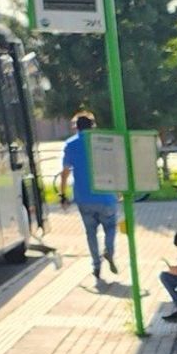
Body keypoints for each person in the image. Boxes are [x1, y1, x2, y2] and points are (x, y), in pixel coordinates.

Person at [56, 110, 120, 286]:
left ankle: (96, 265)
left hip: (83, 197)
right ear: (93, 126)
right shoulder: (102, 142)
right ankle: (109, 250)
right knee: (111, 226)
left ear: (76, 127)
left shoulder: (70, 145)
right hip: (106, 195)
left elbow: (65, 173)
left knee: (90, 232)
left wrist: (63, 195)